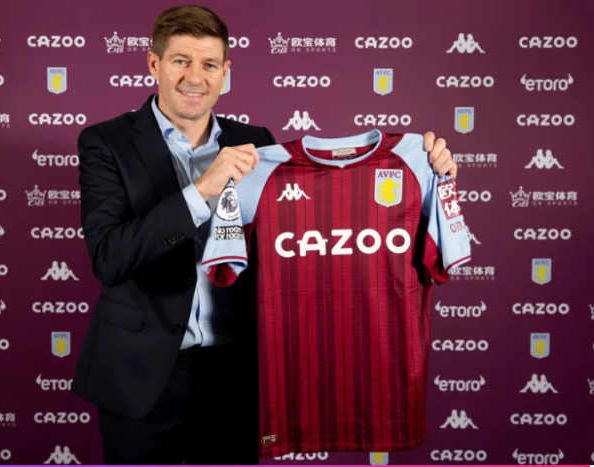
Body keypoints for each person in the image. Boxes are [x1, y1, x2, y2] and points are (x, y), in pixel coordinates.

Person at [70, 5, 458, 465]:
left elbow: (319, 224)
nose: (195, 77)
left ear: (225, 72)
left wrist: (430, 172)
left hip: (237, 373)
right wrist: (202, 190)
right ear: (154, 64)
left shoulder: (258, 143)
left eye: (209, 64)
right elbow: (110, 256)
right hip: (141, 373)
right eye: (181, 61)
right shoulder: (105, 141)